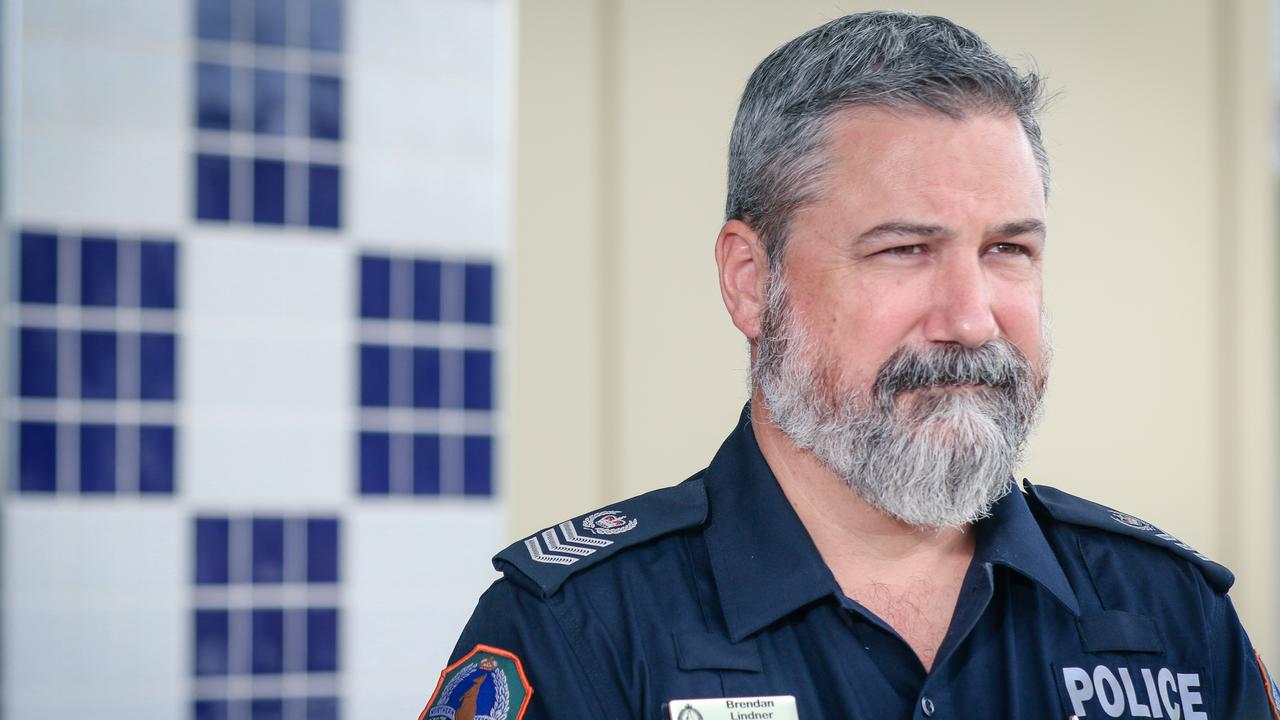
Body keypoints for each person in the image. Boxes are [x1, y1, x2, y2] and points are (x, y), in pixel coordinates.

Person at [421, 11, 1280, 720]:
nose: (971, 318)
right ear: (751, 283)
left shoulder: (1174, 617)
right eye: (905, 249)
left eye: (1009, 248)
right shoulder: (581, 632)